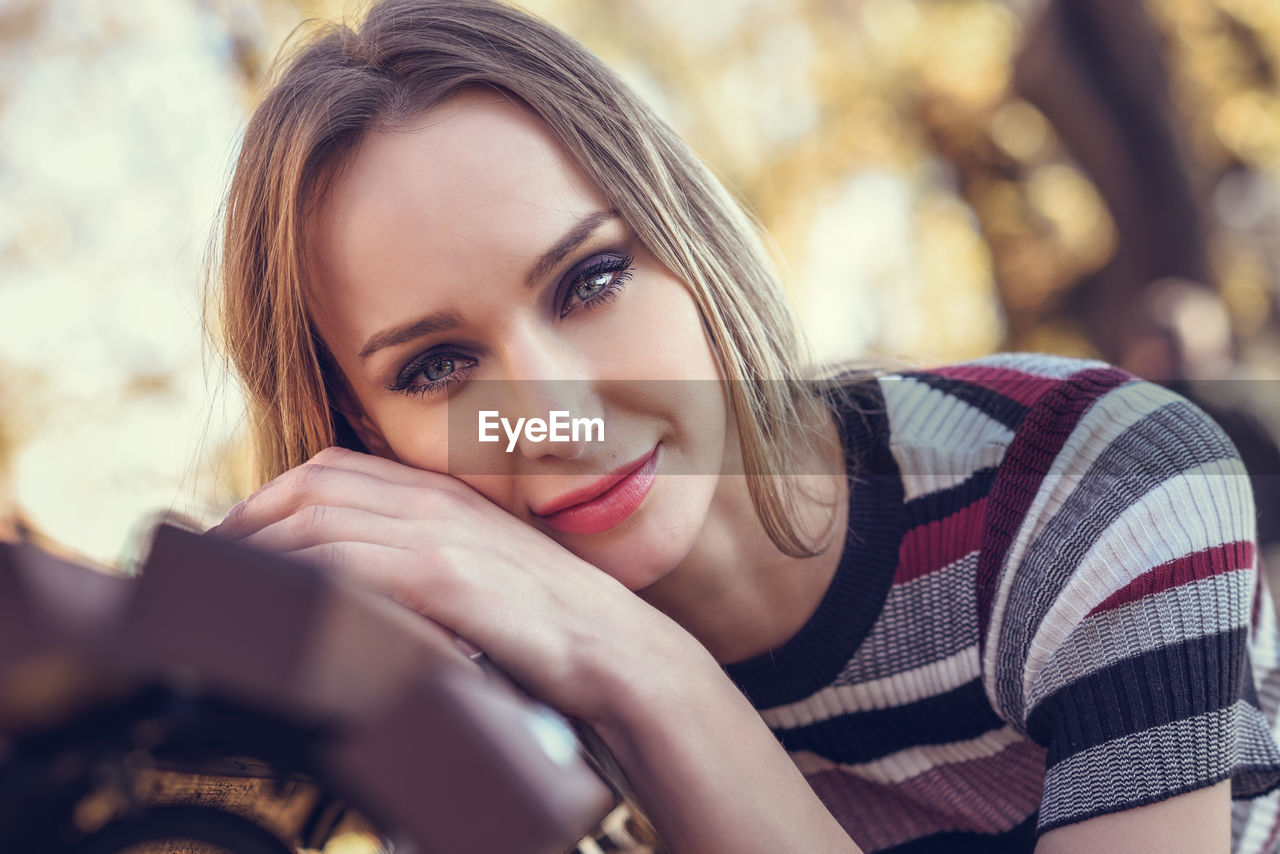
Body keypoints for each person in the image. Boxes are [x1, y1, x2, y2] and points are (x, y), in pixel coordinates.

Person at [206, 1, 1280, 851]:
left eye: (591, 279)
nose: (556, 415)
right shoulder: (469, 692)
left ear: (687, 244)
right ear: (362, 432)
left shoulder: (1088, 484)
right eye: (437, 367)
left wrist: (651, 674)